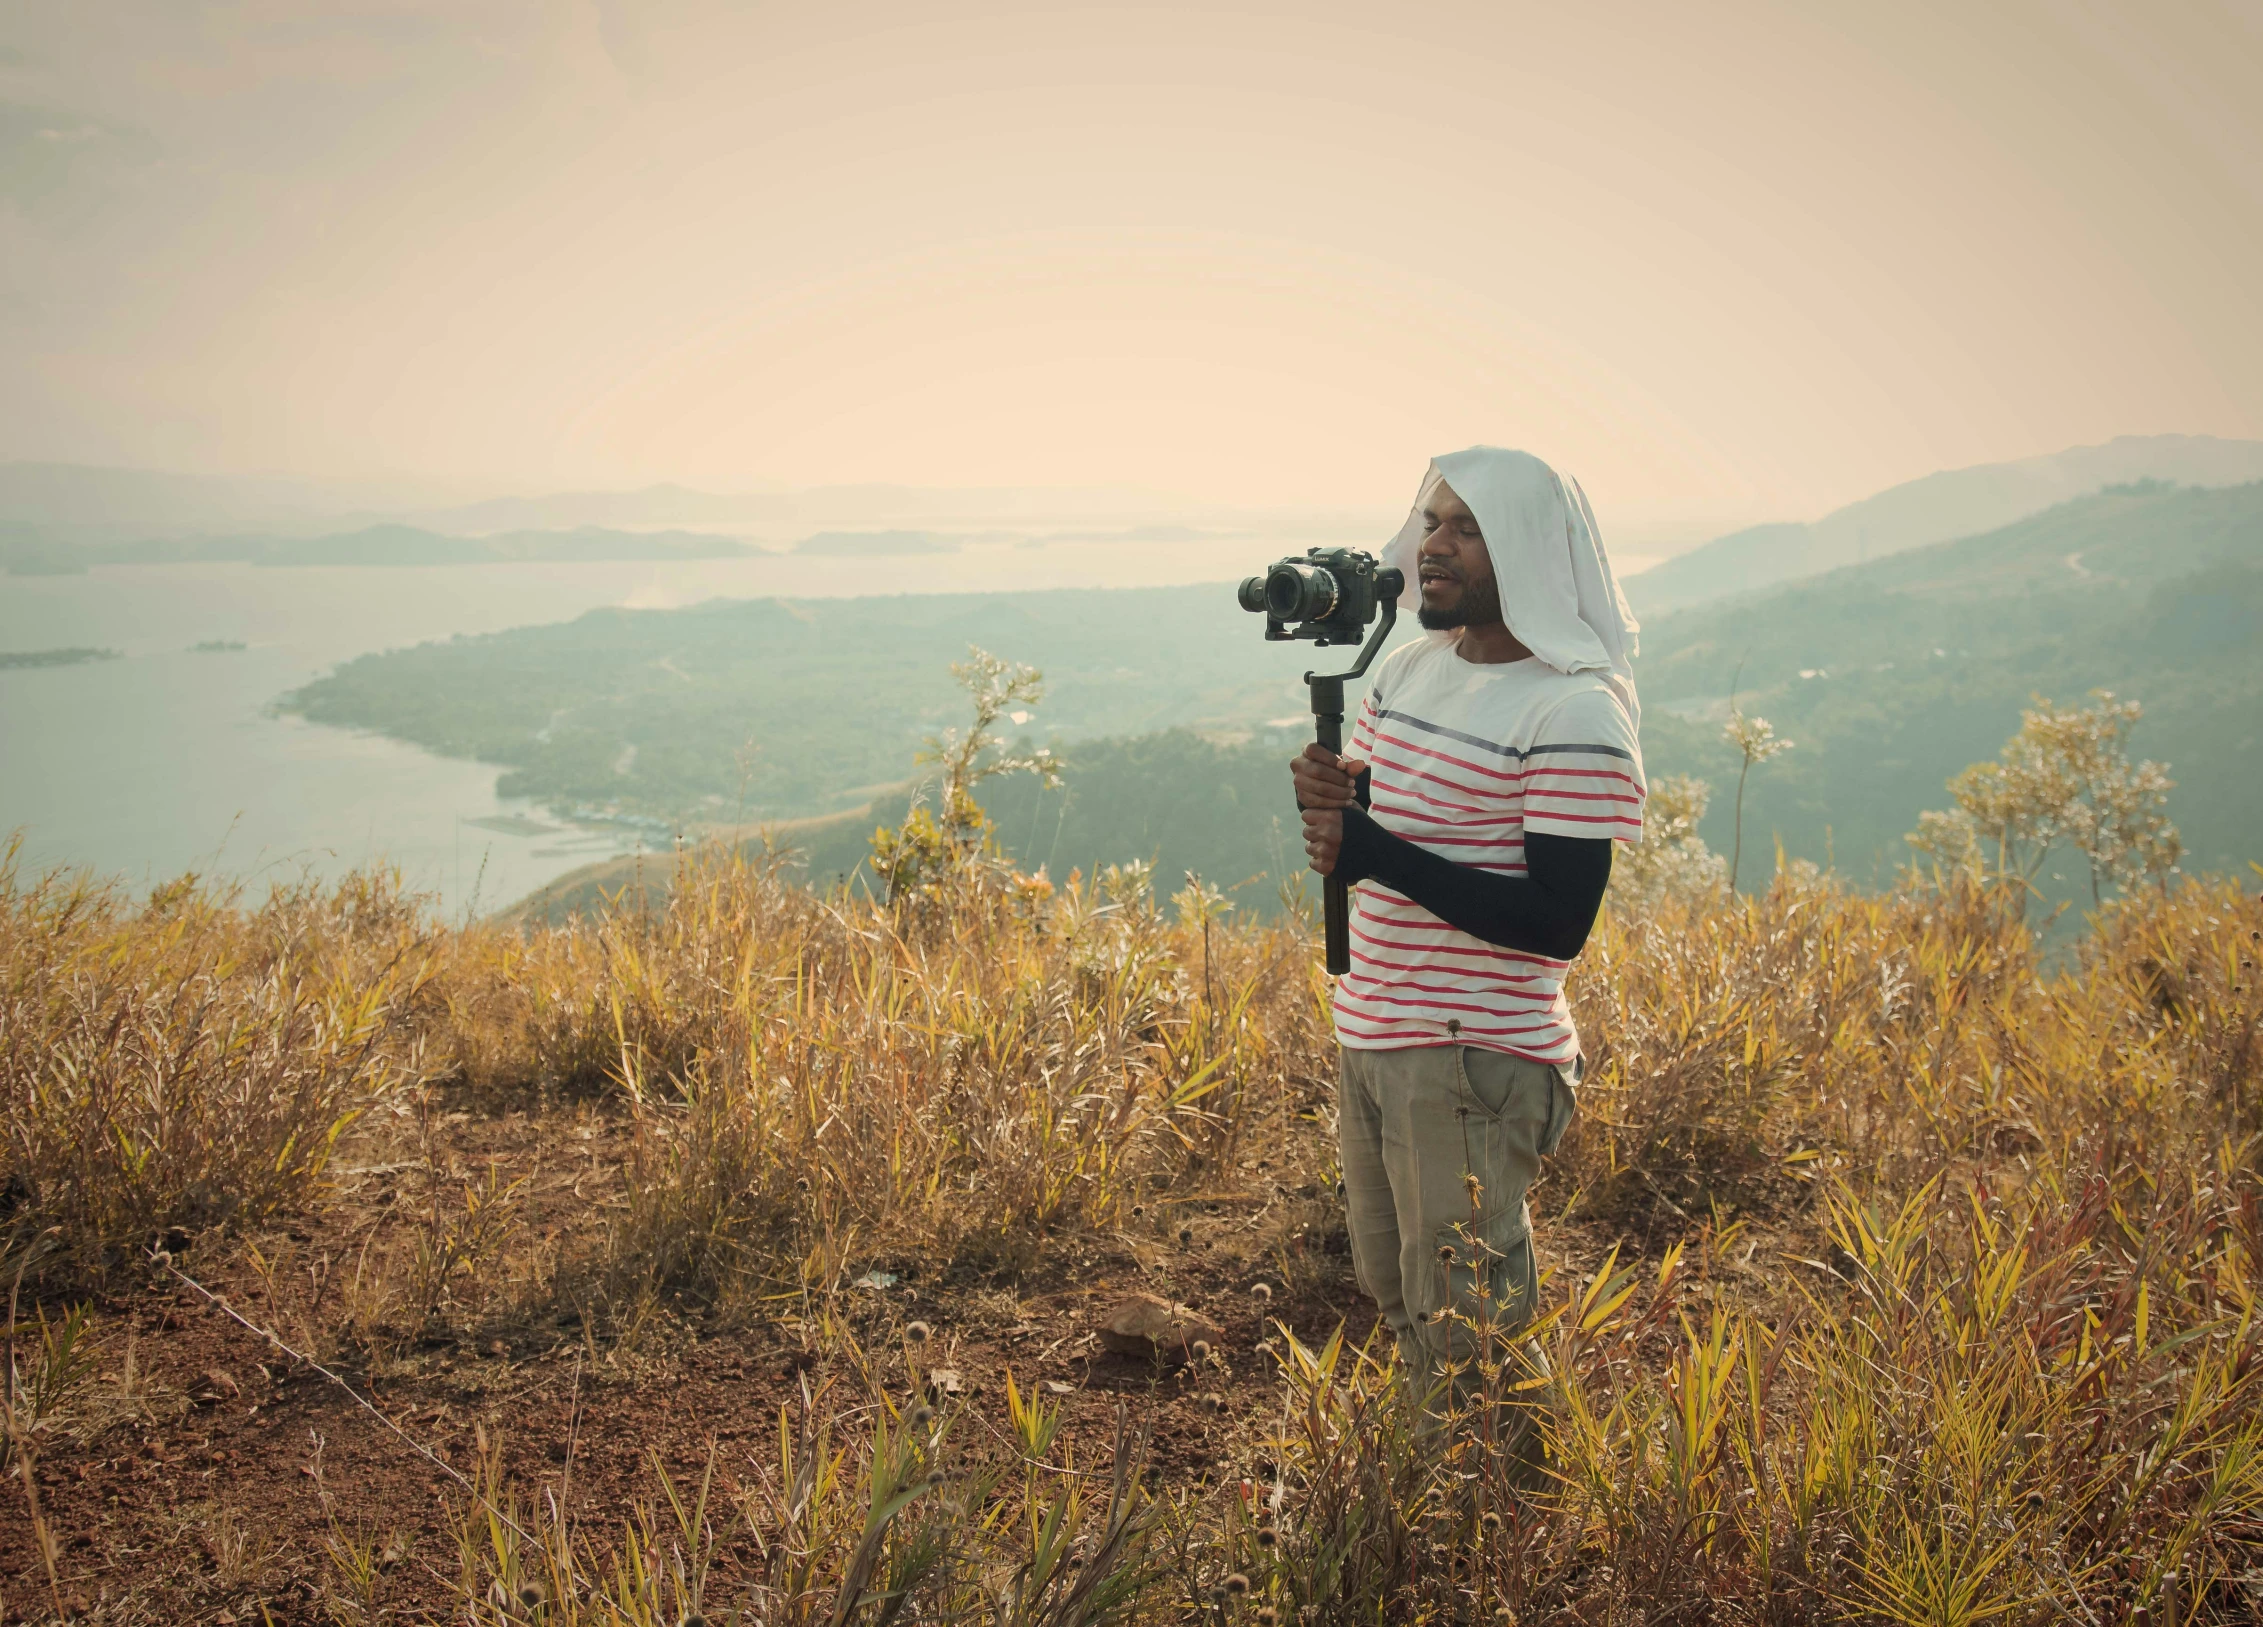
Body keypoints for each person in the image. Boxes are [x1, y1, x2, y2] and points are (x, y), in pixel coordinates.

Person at [1290, 447, 1644, 1442]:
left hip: (1471, 1053)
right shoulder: (1408, 667)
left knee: (1468, 1323)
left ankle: (1504, 1541)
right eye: (1431, 521)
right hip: (1378, 1034)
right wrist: (1338, 813)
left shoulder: (1569, 709)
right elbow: (1384, 839)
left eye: (1467, 528)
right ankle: (1433, 1511)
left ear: (1528, 552)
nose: (1432, 545)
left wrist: (1373, 847)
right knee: (1403, 1302)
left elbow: (1552, 924)